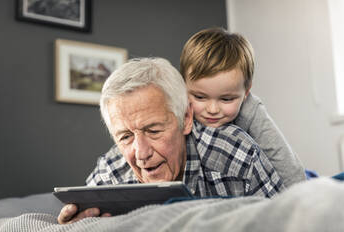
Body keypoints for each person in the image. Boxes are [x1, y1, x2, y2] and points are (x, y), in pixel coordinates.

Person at [58, 57, 284, 224]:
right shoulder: (110, 171)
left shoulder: (236, 155)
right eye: (126, 137)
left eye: (153, 131)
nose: (141, 153)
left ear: (186, 119)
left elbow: (287, 223)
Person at [180, 27, 306, 187]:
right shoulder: (179, 107)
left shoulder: (250, 111)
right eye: (199, 97)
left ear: (246, 93)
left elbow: (287, 165)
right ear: (184, 87)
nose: (212, 109)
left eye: (226, 99)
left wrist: (300, 198)